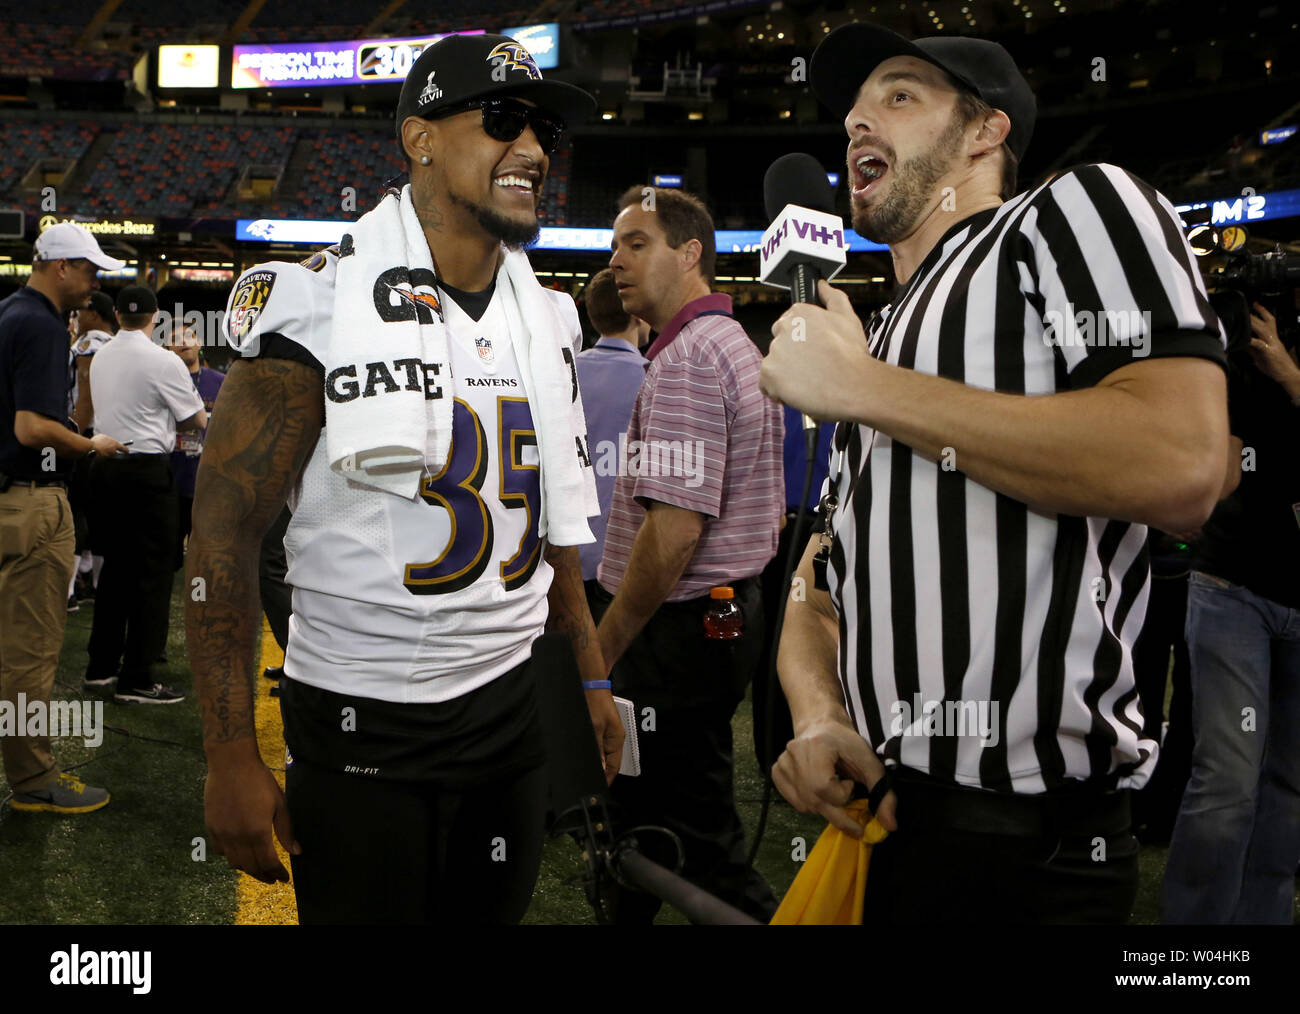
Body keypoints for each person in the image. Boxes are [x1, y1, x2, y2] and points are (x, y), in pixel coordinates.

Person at [760, 22, 1230, 924]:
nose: (859, 121)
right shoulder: (884, 331)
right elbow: (821, 583)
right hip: (886, 818)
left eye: (899, 95)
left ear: (986, 132)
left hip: (1032, 850)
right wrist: (819, 713)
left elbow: (1180, 460)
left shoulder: (1072, 211)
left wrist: (862, 387)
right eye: (854, 112)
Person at [187, 33, 621, 925]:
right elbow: (222, 535)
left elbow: (552, 525)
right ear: (419, 138)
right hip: (360, 717)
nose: (534, 150)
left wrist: (589, 676)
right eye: (503, 121)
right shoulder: (318, 303)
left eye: (542, 130)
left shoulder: (546, 317)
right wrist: (230, 748)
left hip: (512, 709)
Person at [592, 184, 785, 923]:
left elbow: (673, 534)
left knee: (692, 835)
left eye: (636, 244)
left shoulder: (687, 360)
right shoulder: (724, 343)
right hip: (722, 613)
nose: (616, 263)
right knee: (651, 817)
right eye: (614, 246)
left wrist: (603, 649)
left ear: (690, 253)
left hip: (677, 628)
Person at [1163, 300, 1300, 924]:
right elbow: (1215, 475)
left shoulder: (1277, 367)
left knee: (1288, 792)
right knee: (1227, 783)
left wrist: (1291, 376)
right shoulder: (1232, 362)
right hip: (1232, 585)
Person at [1, 222, 127, 814]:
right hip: (30, 501)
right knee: (28, 651)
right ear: (60, 267)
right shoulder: (42, 324)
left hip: (9, 499)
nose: (94, 282)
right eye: (89, 269)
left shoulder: (8, 312)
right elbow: (31, 427)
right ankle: (32, 780)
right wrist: (89, 443)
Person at [85, 286, 205, 704]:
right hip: (146, 472)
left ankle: (101, 668)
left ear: (116, 314)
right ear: (154, 317)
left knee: (115, 569)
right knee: (153, 575)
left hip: (106, 467)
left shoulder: (100, 355)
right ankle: (137, 677)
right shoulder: (163, 359)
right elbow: (195, 419)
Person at [575, 267, 649, 608]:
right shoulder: (655, 378)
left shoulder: (566, 372)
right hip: (628, 558)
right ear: (636, 313)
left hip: (565, 557)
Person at [163, 323, 224, 648]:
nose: (183, 344)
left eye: (188, 336)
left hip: (209, 482)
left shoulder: (220, 383)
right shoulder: (163, 380)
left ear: (199, 342)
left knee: (208, 558)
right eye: (174, 340)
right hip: (171, 481)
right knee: (166, 558)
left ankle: (210, 618)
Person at [67, 290, 118, 606]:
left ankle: (70, 590)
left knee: (76, 512)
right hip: (110, 437)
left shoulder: (90, 343)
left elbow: (83, 395)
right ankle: (96, 584)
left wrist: (76, 433)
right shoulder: (116, 344)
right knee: (100, 513)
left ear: (95, 314)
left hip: (87, 436)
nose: (77, 317)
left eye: (81, 312)